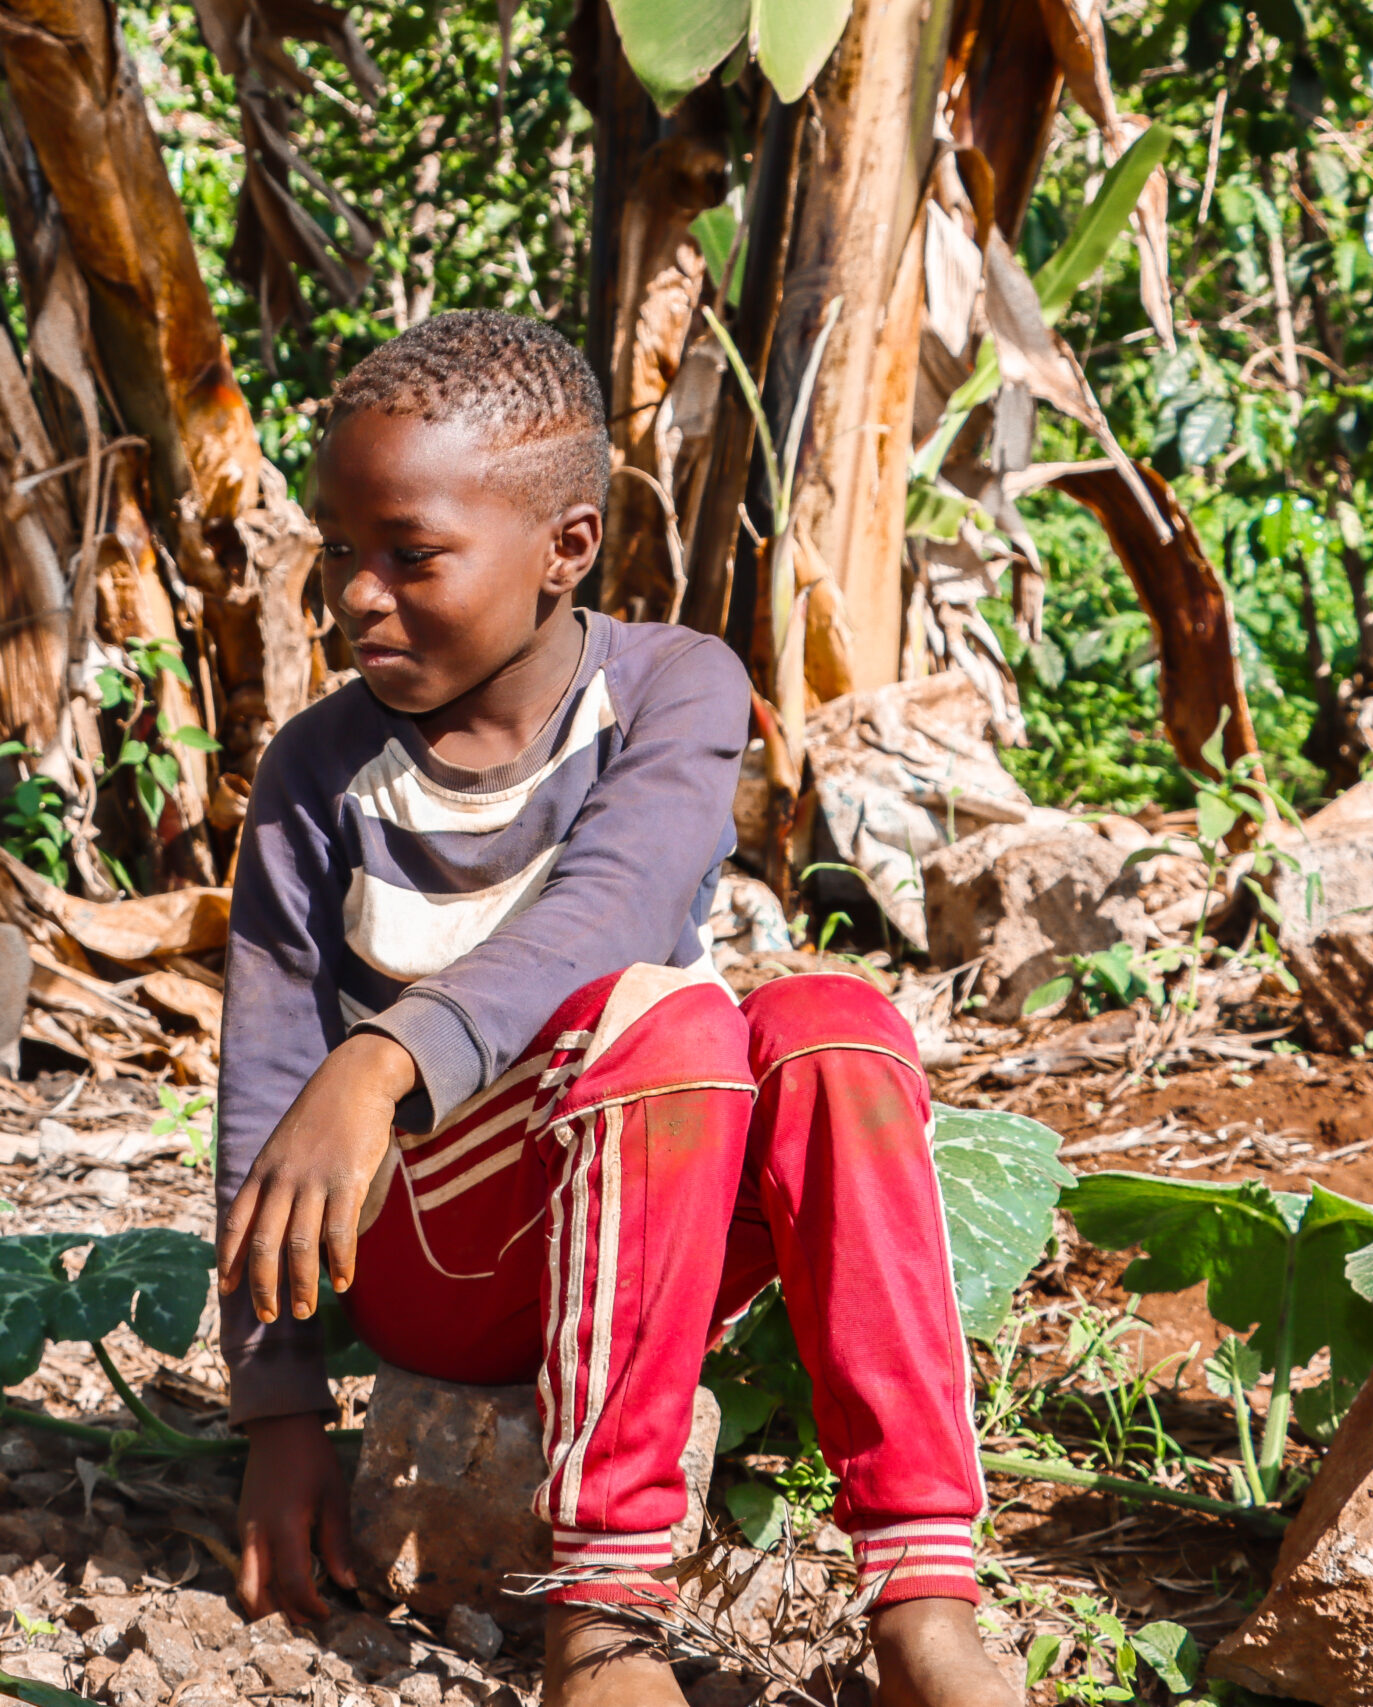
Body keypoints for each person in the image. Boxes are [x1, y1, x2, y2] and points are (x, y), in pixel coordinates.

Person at [213, 311, 1015, 1707]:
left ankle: (924, 1599)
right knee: (674, 1027)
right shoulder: (318, 768)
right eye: (339, 552)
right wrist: (280, 1414)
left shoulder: (671, 687)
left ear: (567, 548)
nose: (355, 597)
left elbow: (620, 904)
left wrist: (388, 1053)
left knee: (833, 1024)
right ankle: (602, 1619)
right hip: (440, 1258)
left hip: (652, 1221)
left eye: (410, 556)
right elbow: (266, 1075)